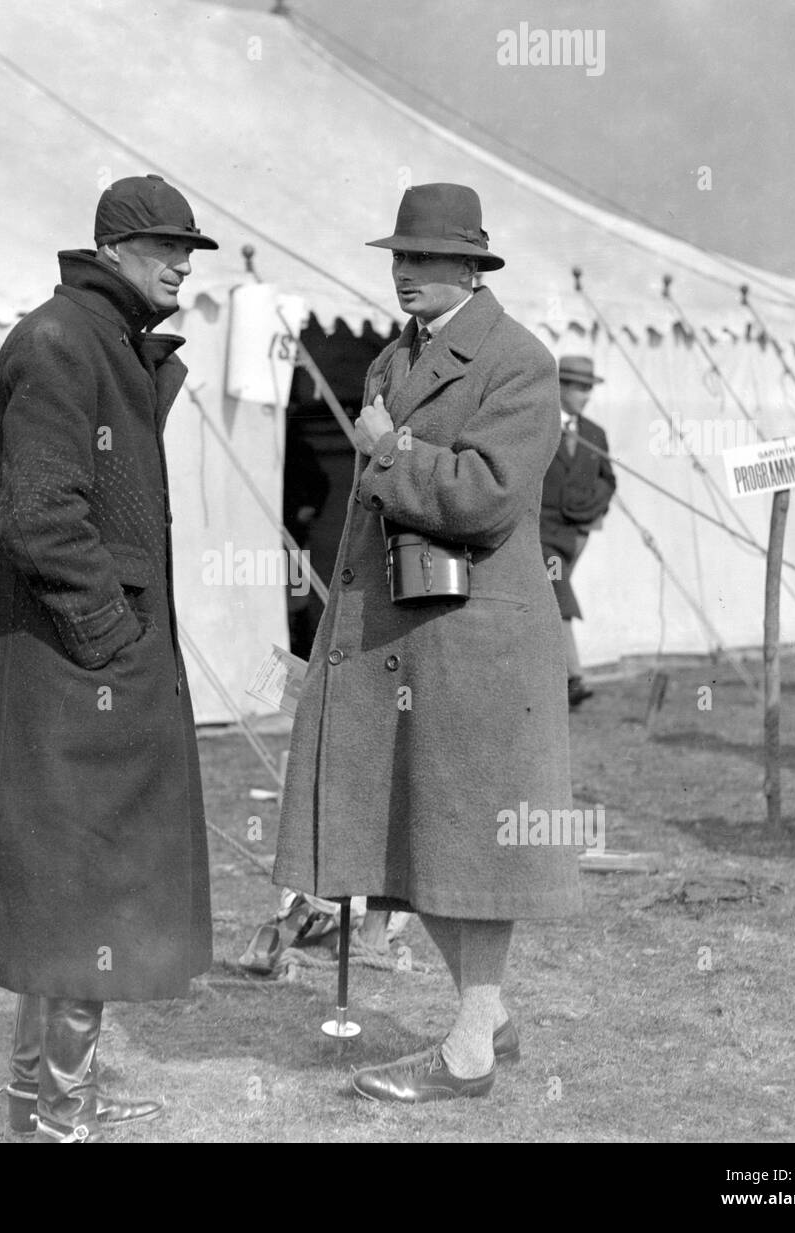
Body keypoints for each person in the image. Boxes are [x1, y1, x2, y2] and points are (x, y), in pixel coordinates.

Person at [0, 174, 217, 1142]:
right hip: (72, 677)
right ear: (111, 250)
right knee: (85, 900)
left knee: (67, 900)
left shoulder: (95, 340)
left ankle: (42, 1098)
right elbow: (40, 519)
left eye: (188, 247)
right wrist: (114, 642)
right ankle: (62, 1117)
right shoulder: (63, 344)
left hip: (70, 672)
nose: (181, 262)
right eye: (163, 246)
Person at [273, 182, 581, 1103]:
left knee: (469, 842)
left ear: (472, 267)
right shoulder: (387, 363)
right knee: (417, 835)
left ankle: (470, 1048)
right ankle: (485, 1015)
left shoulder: (519, 363)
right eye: (399, 257)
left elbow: (486, 498)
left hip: (475, 645)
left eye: (425, 258)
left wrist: (388, 454)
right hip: (399, 640)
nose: (405, 273)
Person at [539, 356, 616, 708]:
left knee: (551, 599)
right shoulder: (538, 425)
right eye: (579, 388)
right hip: (540, 531)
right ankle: (574, 676)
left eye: (589, 389)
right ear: (560, 387)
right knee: (558, 593)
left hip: (576, 535)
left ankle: (553, 679)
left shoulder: (595, 434)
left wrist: (589, 513)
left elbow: (608, 481)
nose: (586, 396)